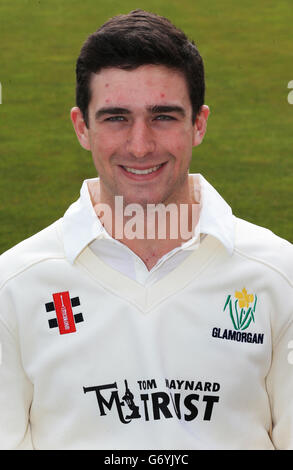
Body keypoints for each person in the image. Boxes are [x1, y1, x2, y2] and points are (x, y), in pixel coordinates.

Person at [0, 9, 293, 451]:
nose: (140, 146)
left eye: (163, 117)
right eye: (116, 118)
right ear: (82, 127)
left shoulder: (279, 275)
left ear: (199, 124)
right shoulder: (14, 287)